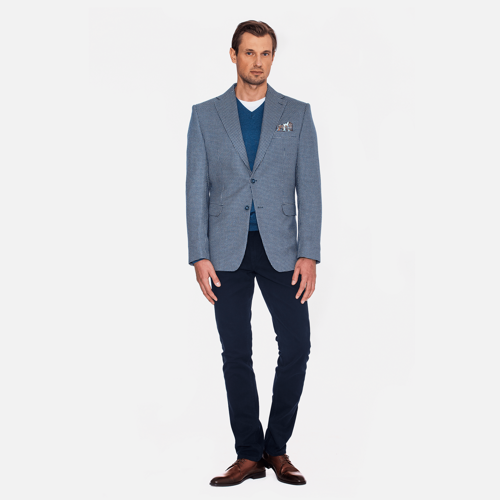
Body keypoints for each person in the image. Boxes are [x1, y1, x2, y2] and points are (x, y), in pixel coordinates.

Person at [185, 19, 322, 487]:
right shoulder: (205, 116)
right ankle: (248, 454)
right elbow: (195, 189)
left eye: (265, 54)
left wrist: (309, 253)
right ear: (234, 55)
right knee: (236, 352)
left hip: (283, 249)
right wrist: (199, 255)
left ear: (272, 58)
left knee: (297, 346)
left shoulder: (296, 113)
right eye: (249, 52)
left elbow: (310, 187)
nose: (257, 62)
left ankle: (276, 448)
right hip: (225, 251)